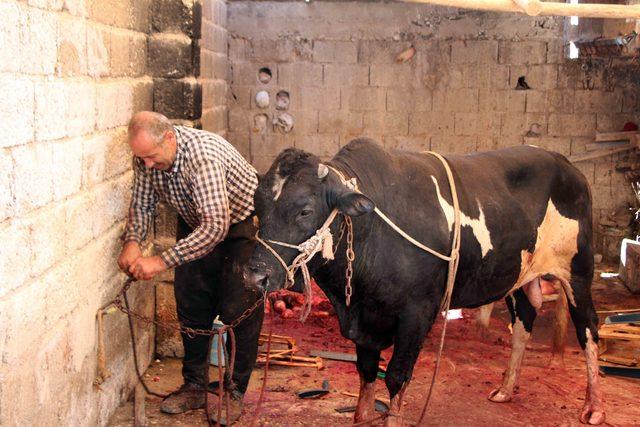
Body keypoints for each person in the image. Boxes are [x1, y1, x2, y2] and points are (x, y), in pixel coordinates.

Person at [118, 111, 263, 424]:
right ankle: (195, 385)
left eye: (152, 157)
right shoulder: (147, 157)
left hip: (238, 226)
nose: (147, 165)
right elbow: (142, 205)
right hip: (197, 220)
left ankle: (234, 391)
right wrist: (132, 242)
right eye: (141, 158)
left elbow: (216, 227)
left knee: (240, 307)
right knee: (191, 302)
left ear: (169, 138)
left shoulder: (202, 158)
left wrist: (159, 260)